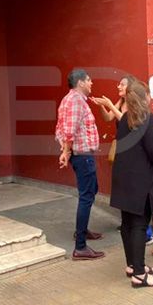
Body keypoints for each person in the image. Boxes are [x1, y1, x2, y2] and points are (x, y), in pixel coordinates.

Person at [110, 80, 153, 288]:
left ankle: (133, 265)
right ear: (144, 96)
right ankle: (139, 274)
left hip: (123, 178)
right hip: (141, 180)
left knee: (127, 224)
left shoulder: (126, 117)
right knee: (139, 225)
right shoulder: (149, 119)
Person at [96, 76, 153, 244]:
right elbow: (108, 118)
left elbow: (127, 120)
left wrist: (109, 105)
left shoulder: (133, 106)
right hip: (124, 148)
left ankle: (146, 232)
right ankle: (130, 225)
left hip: (134, 149)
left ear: (130, 87)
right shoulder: (119, 101)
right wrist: (103, 106)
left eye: (122, 84)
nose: (118, 86)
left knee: (138, 193)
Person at [57, 69, 105, 260]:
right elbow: (68, 131)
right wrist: (66, 151)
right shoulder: (75, 100)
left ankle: (82, 231)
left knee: (92, 190)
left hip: (81, 155)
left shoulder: (68, 100)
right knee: (86, 196)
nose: (91, 83)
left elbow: (60, 128)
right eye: (89, 80)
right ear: (80, 83)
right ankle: (80, 246)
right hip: (82, 156)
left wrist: (65, 151)